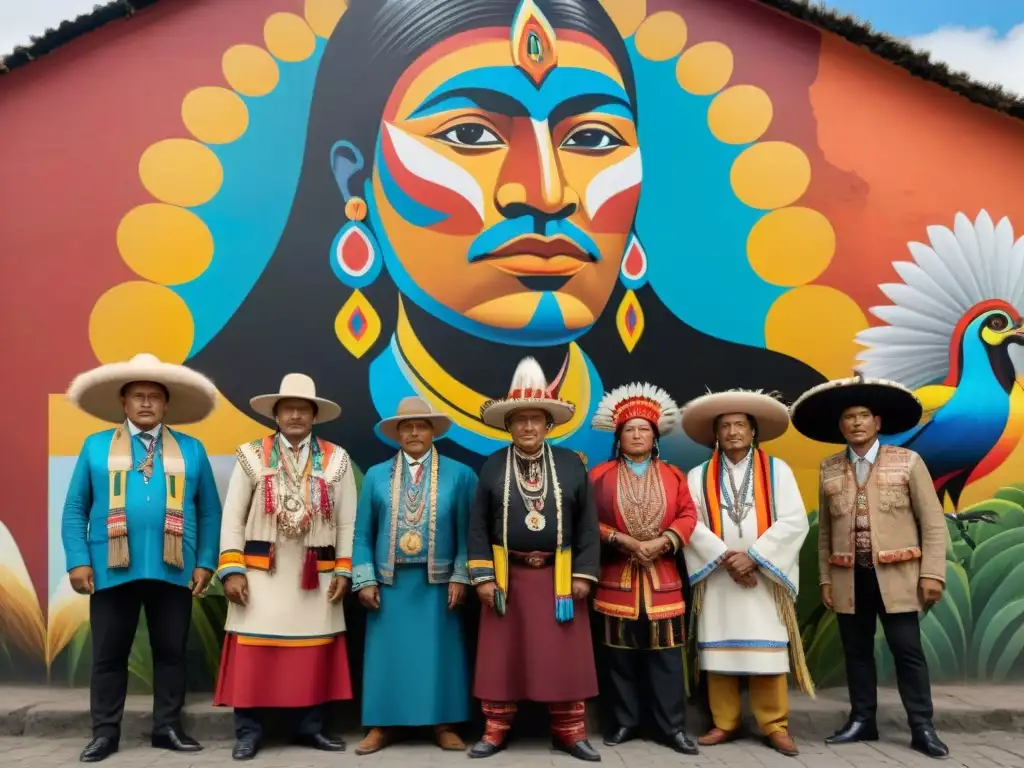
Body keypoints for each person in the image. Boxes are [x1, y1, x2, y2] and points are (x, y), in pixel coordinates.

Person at [62, 353, 222, 763]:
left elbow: (208, 512)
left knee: (171, 652)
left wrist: (205, 562)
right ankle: (104, 733)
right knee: (109, 654)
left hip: (174, 569)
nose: (146, 403)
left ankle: (167, 728)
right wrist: (78, 560)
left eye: (154, 396)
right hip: (111, 569)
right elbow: (76, 507)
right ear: (124, 403)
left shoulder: (191, 449)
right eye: (138, 396)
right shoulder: (96, 447)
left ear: (167, 404)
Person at [790, 374, 949, 759]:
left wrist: (933, 574)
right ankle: (863, 720)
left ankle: (922, 727)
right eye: (849, 417)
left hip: (900, 577)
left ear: (877, 422)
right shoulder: (829, 469)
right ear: (840, 426)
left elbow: (932, 522)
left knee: (907, 651)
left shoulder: (908, 462)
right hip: (850, 576)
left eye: (863, 416)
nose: (856, 423)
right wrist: (826, 578)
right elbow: (826, 532)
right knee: (856, 652)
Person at [213, 374, 357, 761]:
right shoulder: (251, 455)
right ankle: (247, 732)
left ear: (314, 416)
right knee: (255, 653)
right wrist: (232, 568)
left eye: (303, 409)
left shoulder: (336, 459)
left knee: (311, 654)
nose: (295, 414)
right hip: (262, 572)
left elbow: (347, 522)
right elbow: (233, 519)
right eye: (287, 408)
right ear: (275, 415)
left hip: (316, 573)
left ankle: (311, 728)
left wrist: (344, 569)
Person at [467, 357, 601, 762]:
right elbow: (477, 528)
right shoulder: (492, 466)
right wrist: (483, 578)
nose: (528, 427)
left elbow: (588, 526)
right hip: (509, 579)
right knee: (502, 656)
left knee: (562, 657)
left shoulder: (570, 466)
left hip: (559, 582)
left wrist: (584, 574)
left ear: (549, 424)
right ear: (509, 425)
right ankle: (494, 731)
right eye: (520, 419)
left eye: (536, 419)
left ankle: (570, 732)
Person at [679, 389, 813, 757]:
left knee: (767, 652)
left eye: (740, 425)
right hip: (719, 578)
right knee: (719, 651)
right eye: (725, 426)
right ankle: (725, 722)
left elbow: (793, 521)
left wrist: (754, 557)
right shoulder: (698, 475)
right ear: (716, 434)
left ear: (754, 432)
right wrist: (726, 558)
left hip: (764, 578)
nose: (733, 431)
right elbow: (691, 522)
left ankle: (774, 724)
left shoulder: (777, 471)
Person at [351, 397, 476, 754]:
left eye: (421, 425)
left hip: (437, 584)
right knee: (386, 656)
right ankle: (381, 725)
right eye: (407, 427)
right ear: (397, 433)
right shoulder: (376, 475)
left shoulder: (460, 474)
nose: (414, 432)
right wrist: (365, 579)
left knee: (440, 655)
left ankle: (445, 723)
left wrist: (460, 577)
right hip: (389, 584)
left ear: (433, 430)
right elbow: (361, 534)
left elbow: (470, 534)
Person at [588, 383, 698, 754]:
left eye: (644, 429)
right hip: (616, 580)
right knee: (619, 656)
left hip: (663, 579)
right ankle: (624, 722)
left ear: (655, 436)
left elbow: (688, 515)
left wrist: (663, 541)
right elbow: (586, 520)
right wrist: (622, 540)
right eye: (630, 430)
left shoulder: (674, 475)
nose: (637, 435)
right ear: (619, 437)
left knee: (666, 657)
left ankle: (672, 728)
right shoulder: (598, 476)